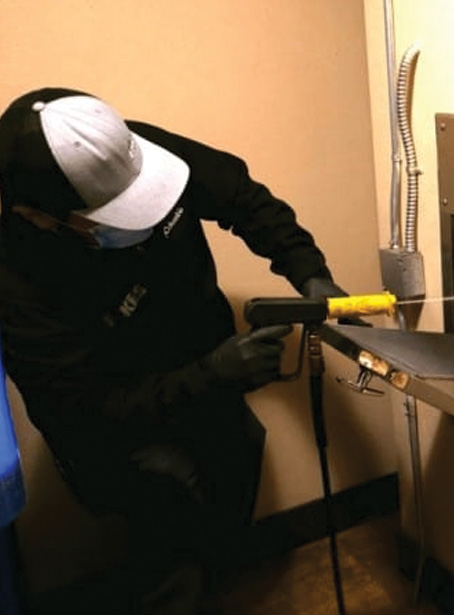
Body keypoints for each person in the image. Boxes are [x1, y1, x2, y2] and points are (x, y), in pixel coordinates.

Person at [0, 87, 351, 613]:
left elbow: (242, 197)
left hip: (205, 378)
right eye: (114, 218)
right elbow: (83, 411)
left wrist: (309, 271)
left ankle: (212, 581)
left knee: (239, 459)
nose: (142, 222)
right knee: (172, 509)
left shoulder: (129, 155)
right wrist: (213, 372)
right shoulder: (18, 284)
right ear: (39, 216)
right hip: (118, 428)